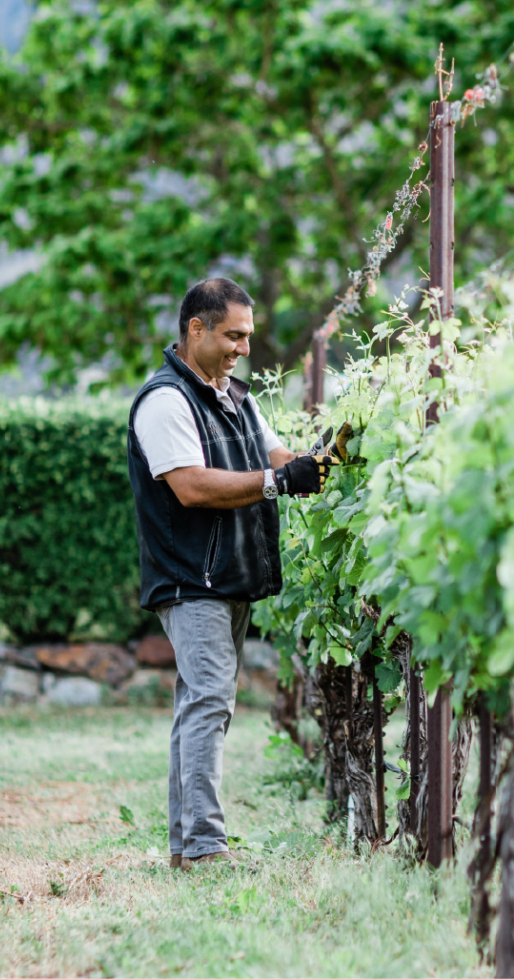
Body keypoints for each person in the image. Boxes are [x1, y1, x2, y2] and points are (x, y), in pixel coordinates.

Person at [127, 277, 335, 873]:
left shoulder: (234, 397)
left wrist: (321, 459)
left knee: (201, 704)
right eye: (233, 336)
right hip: (193, 579)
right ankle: (205, 848)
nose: (244, 348)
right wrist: (279, 481)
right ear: (196, 329)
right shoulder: (166, 400)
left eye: (248, 336)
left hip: (228, 577)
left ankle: (186, 846)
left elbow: (275, 457)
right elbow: (191, 486)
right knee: (209, 704)